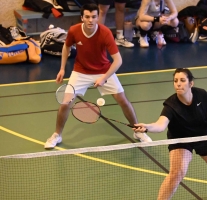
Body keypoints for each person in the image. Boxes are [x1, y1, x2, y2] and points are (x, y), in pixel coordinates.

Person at [133, 68, 207, 199]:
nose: (178, 84)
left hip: (206, 136)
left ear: (191, 83)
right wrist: (147, 127)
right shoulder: (171, 105)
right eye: (175, 81)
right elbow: (160, 125)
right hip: (181, 139)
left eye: (182, 80)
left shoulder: (201, 95)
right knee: (177, 173)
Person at [44, 3, 152, 149]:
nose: (90, 20)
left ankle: (138, 131)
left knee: (123, 101)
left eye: (94, 16)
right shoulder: (74, 30)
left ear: (97, 17)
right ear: (82, 17)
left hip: (103, 70)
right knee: (65, 104)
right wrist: (62, 69)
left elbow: (118, 60)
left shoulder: (105, 32)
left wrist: (104, 78)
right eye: (87, 17)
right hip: (80, 71)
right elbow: (66, 47)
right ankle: (57, 134)